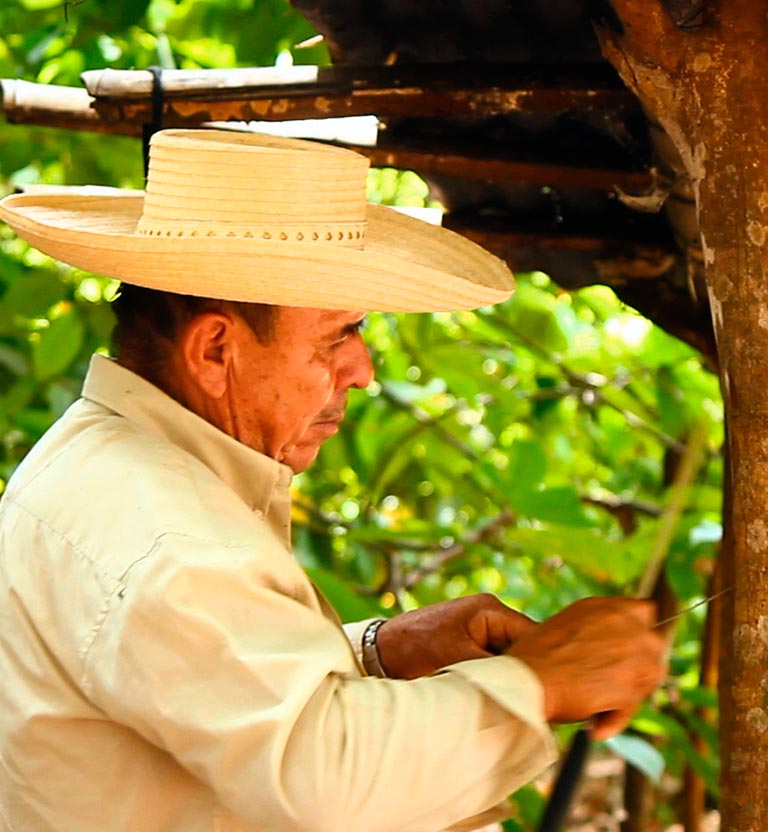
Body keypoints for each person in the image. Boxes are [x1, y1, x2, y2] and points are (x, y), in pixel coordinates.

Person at [0, 129, 667, 832]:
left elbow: (192, 683)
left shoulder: (113, 467)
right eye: (335, 338)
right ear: (216, 350)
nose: (363, 370)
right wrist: (542, 682)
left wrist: (378, 650)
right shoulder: (165, 532)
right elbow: (328, 782)